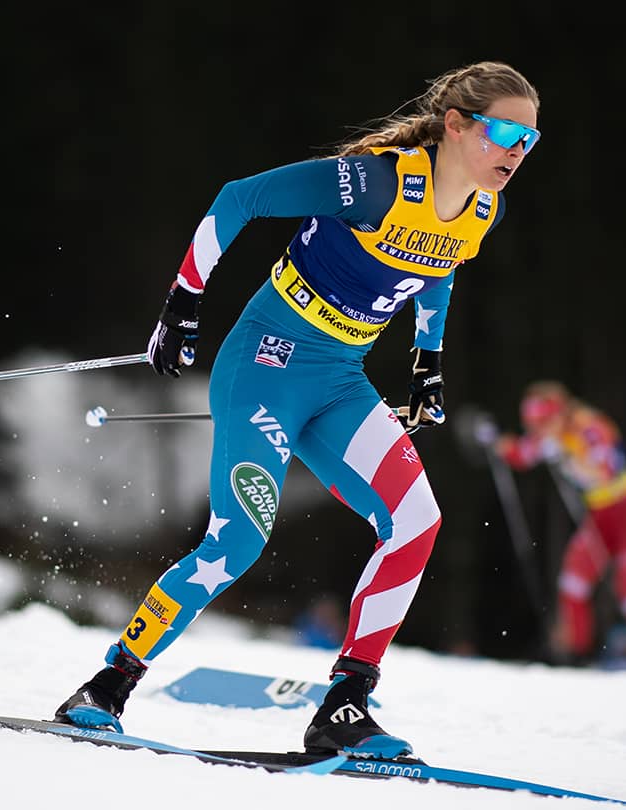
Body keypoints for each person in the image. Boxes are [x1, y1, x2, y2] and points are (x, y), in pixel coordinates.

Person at [53, 61, 541, 758]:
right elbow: (238, 199)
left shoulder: (482, 210)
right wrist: (184, 301)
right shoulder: (376, 182)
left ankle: (344, 705)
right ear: (456, 126)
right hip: (264, 367)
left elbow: (440, 268)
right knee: (238, 542)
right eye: (503, 133)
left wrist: (426, 363)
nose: (516, 152)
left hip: (340, 378)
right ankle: (107, 684)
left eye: (531, 140)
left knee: (416, 522)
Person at [491, 381, 626, 673]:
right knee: (573, 583)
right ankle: (580, 657)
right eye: (533, 425)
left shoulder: (589, 426)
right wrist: (492, 440)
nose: (538, 431)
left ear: (558, 413)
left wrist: (566, 451)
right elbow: (521, 455)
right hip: (601, 519)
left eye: (543, 423)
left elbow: (604, 469)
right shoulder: (552, 436)